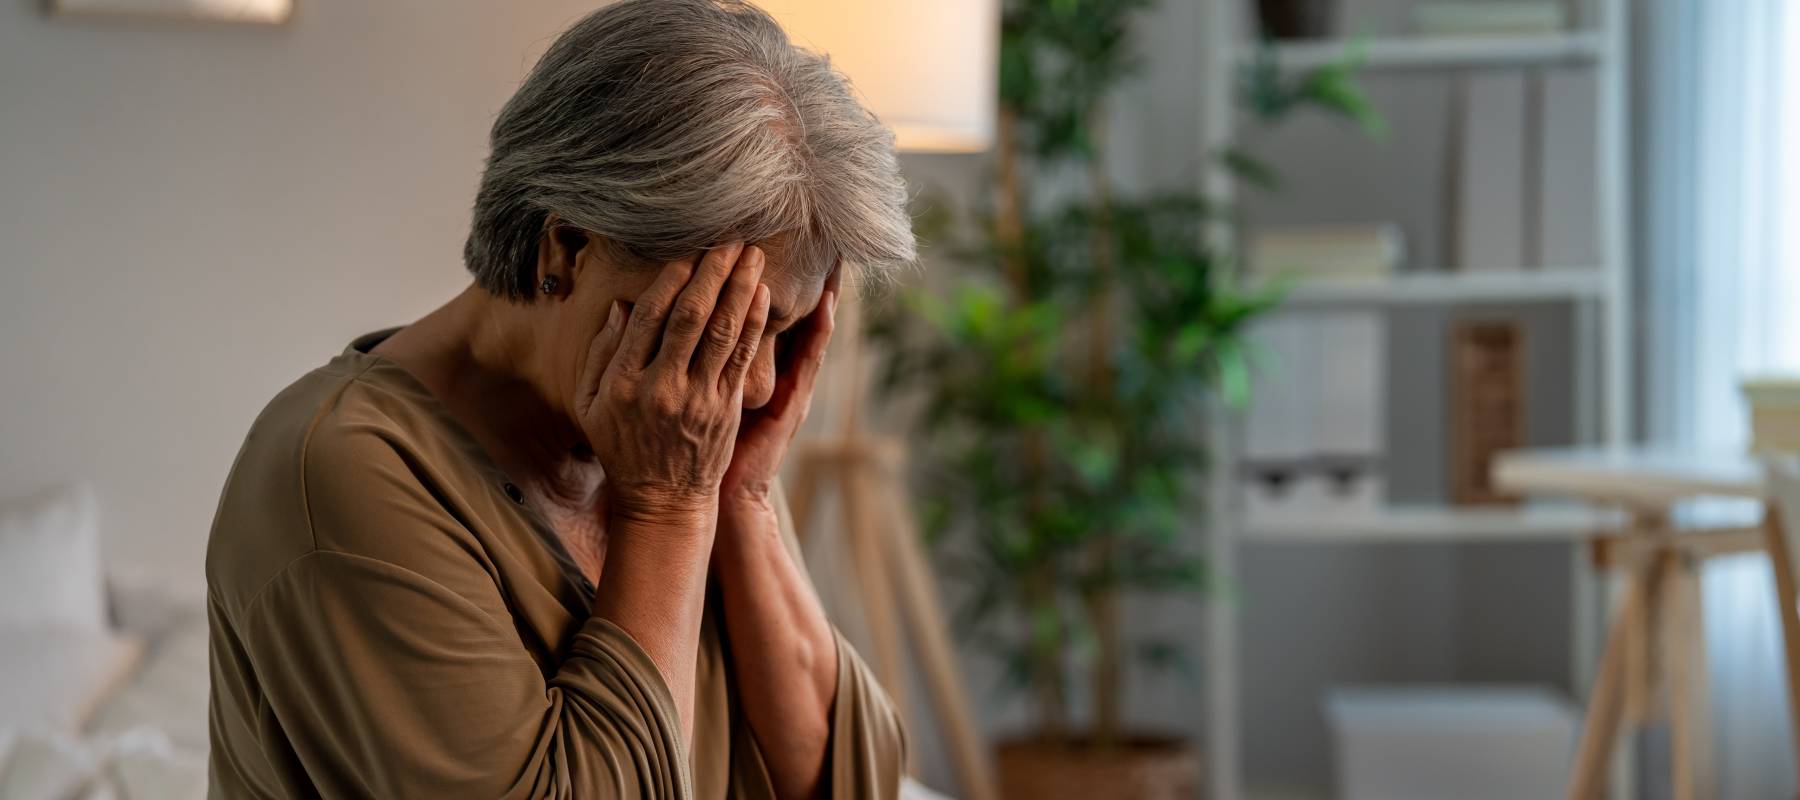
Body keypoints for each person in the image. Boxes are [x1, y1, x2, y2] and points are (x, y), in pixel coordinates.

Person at [204, 1, 915, 797]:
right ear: (568, 248)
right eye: (717, 324)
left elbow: (854, 782)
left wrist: (741, 498)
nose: (752, 385)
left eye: (777, 332)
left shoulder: (680, 423)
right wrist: (668, 508)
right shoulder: (341, 473)